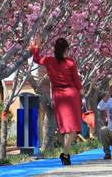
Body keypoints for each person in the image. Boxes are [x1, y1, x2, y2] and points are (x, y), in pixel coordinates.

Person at [30, 38, 82, 166]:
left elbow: (36, 59)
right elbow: (76, 80)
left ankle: (65, 152)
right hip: (71, 94)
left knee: (63, 126)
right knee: (72, 127)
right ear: (66, 49)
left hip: (58, 95)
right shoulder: (70, 62)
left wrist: (36, 47)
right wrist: (81, 91)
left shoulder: (49, 61)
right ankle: (65, 153)